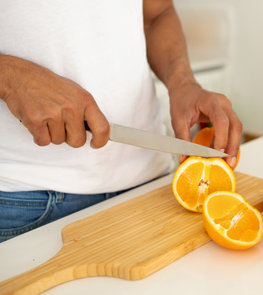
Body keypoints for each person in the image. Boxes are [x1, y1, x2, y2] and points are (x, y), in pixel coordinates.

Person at [0, 0, 242, 242]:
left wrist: (182, 82)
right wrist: (11, 76)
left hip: (151, 183)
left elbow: (157, 14)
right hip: (25, 200)